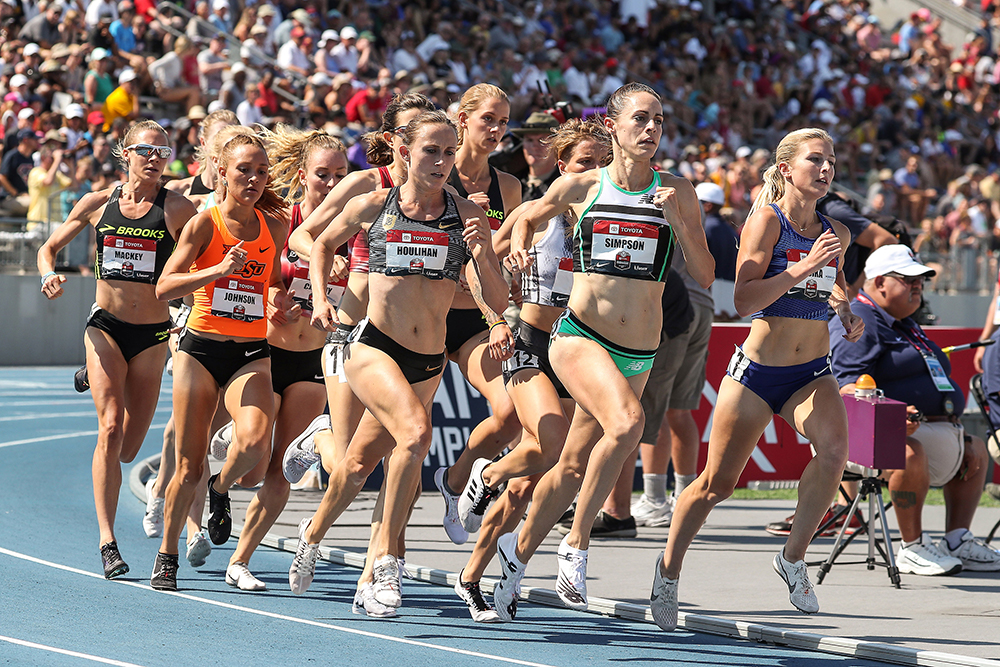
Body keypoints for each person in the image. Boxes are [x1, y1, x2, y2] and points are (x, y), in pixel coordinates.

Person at [496, 83, 715, 620]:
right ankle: (576, 546)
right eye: (640, 119)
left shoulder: (677, 190)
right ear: (613, 127)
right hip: (579, 335)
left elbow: (706, 272)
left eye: (659, 121)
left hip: (640, 351)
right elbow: (528, 215)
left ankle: (516, 556)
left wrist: (681, 222)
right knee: (628, 425)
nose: (651, 130)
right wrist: (521, 239)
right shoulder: (583, 185)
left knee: (572, 465)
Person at [286, 111, 512, 612]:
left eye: (449, 152)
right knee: (415, 434)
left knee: (358, 464)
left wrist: (485, 266)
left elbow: (492, 291)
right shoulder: (373, 203)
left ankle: (311, 535)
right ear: (403, 152)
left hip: (428, 361)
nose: (441, 162)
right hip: (373, 348)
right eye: (430, 151)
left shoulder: (466, 215)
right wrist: (322, 297)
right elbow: (318, 242)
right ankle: (388, 561)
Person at [648, 127, 865, 632]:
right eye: (816, 159)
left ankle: (792, 559)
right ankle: (667, 571)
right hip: (757, 373)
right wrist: (800, 267)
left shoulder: (838, 232)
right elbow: (743, 300)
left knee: (834, 452)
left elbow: (835, 286)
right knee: (714, 485)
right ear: (787, 168)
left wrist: (846, 311)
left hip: (812, 372)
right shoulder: (767, 221)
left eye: (832, 160)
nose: (827, 168)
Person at [281, 92, 436, 616]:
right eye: (418, 137)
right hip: (355, 330)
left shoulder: (443, 194)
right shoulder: (366, 186)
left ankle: (373, 572)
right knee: (355, 463)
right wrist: (338, 273)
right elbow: (306, 237)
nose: (432, 153)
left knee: (399, 455)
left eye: (439, 144)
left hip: (412, 343)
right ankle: (321, 435)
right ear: (396, 140)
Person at [452, 117, 611, 622]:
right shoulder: (532, 213)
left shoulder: (608, 215)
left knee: (528, 484)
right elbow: (475, 264)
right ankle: (487, 470)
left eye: (603, 163)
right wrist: (496, 316)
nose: (595, 171)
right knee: (546, 445)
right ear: (562, 167)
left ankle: (472, 576)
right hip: (528, 339)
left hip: (577, 348)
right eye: (585, 162)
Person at [37, 120, 198, 579]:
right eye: (145, 150)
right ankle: (108, 541)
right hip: (105, 326)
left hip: (151, 338)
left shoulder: (176, 209)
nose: (154, 158)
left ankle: (95, 372)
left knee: (128, 450)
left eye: (163, 152)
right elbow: (48, 248)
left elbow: (207, 254)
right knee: (108, 428)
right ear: (124, 153)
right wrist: (48, 273)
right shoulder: (97, 203)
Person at [150, 132, 293, 591]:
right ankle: (167, 551)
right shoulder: (204, 224)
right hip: (202, 349)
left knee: (254, 444)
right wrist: (217, 271)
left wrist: (278, 299)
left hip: (251, 350)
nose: (253, 179)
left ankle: (220, 489)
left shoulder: (274, 224)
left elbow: (269, 280)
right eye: (243, 170)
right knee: (188, 465)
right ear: (222, 171)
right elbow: (164, 287)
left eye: (261, 171)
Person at [209, 126, 349, 591]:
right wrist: (273, 297)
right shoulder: (281, 219)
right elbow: (257, 275)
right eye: (322, 175)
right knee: (250, 466)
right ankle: (221, 483)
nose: (330, 185)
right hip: (266, 352)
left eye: (339, 175)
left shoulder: (357, 229)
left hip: (312, 360)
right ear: (302, 176)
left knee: (279, 467)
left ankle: (241, 560)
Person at [833, 245, 1000, 574]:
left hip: (927, 428)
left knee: (976, 450)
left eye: (920, 281)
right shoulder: (860, 319)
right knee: (909, 453)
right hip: (874, 435)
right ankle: (911, 547)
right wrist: (890, 412)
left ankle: (957, 540)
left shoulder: (903, 322)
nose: (917, 287)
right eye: (908, 280)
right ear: (880, 282)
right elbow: (845, 386)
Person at [434, 83, 522, 546]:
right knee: (391, 440)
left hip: (475, 319)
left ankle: (455, 480)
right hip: (423, 316)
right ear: (462, 120)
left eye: (504, 122)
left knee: (508, 414)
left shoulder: (508, 187)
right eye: (488, 119)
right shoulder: (430, 176)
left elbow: (490, 261)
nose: (497, 130)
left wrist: (511, 263)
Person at [514, 111, 561, 202]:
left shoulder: (564, 185)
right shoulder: (513, 182)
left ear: (557, 145)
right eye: (529, 140)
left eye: (542, 141)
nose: (534, 147)